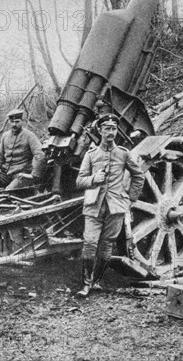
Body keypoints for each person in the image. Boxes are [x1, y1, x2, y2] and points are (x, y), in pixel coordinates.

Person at [75, 113, 145, 298]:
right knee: (89, 243)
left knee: (106, 246)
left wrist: (130, 199)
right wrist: (93, 179)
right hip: (93, 206)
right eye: (107, 128)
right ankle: (85, 284)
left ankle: (96, 282)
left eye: (114, 128)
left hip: (116, 207)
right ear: (100, 130)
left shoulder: (123, 153)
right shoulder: (91, 155)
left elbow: (139, 176)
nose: (111, 132)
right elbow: (79, 181)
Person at [0, 109, 45, 190]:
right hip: (6, 174)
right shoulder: (5, 136)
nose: (14, 124)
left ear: (22, 121)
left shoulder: (29, 136)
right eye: (12, 122)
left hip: (21, 175)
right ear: (9, 122)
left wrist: (34, 174)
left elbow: (39, 154)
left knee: (9, 191)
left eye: (17, 122)